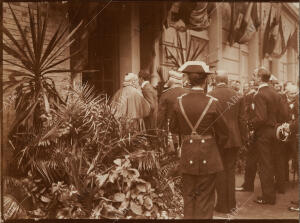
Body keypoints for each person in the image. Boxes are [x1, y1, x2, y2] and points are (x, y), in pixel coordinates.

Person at [170, 61, 228, 219]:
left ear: (188, 80)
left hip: (187, 153)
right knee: (205, 198)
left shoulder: (179, 101)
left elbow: (173, 128)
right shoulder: (212, 103)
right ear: (205, 81)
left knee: (188, 196)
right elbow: (224, 133)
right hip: (208, 155)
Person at [208, 70, 246, 214]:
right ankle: (231, 204)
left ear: (216, 81)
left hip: (217, 138)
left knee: (219, 170)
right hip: (234, 138)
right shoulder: (237, 95)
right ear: (227, 80)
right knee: (230, 171)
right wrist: (243, 139)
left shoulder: (210, 95)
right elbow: (242, 120)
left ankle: (221, 204)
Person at [250, 67, 283, 205]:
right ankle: (271, 194)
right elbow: (281, 114)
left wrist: (250, 125)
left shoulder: (259, 94)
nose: (253, 78)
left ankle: (268, 197)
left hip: (263, 132)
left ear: (259, 77)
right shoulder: (275, 93)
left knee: (265, 165)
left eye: (254, 76)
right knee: (272, 162)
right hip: (274, 131)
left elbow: (261, 118)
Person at [157, 70, 190, 153]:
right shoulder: (188, 93)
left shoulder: (165, 94)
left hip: (171, 130)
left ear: (171, 81)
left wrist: (159, 131)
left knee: (172, 156)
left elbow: (161, 116)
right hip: (187, 129)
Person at [236, 82, 258, 192]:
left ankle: (248, 185)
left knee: (251, 160)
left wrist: (248, 130)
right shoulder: (256, 95)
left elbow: (246, 115)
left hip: (254, 132)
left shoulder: (250, 97)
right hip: (260, 132)